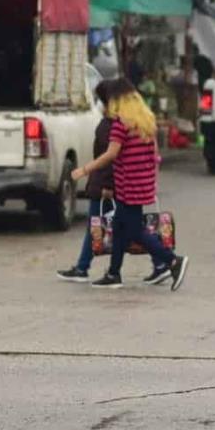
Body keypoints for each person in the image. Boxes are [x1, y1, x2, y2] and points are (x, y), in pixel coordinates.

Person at [70, 80, 188, 290]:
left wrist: (85, 170)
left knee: (135, 231)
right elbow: (155, 157)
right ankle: (114, 273)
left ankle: (172, 261)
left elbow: (111, 154)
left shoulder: (121, 124)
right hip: (141, 187)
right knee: (119, 227)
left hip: (127, 188)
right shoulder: (146, 122)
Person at [56, 79, 150, 283]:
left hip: (107, 185)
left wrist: (106, 185)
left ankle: (163, 262)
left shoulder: (113, 124)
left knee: (114, 227)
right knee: (113, 227)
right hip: (109, 184)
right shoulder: (115, 122)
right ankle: (98, 269)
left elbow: (110, 158)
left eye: (100, 98)